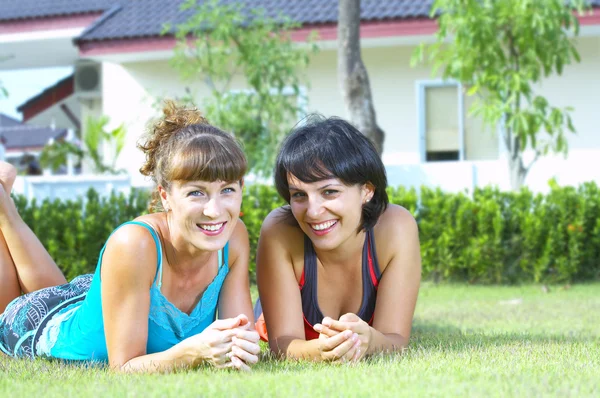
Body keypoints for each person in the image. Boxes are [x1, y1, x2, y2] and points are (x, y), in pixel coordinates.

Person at [0, 101, 260, 372]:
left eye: (228, 190)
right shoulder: (133, 244)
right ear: (165, 196)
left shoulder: (233, 236)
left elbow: (240, 343)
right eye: (196, 192)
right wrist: (193, 352)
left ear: (241, 188)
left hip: (95, 299)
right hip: (35, 327)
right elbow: (123, 368)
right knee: (11, 311)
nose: (214, 211)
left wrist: (239, 348)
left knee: (55, 295)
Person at [255, 116, 421, 362]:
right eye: (299, 195)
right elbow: (282, 345)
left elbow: (395, 338)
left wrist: (371, 341)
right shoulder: (279, 230)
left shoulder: (396, 228)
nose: (313, 211)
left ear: (366, 190)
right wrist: (323, 351)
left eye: (329, 192)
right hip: (278, 302)